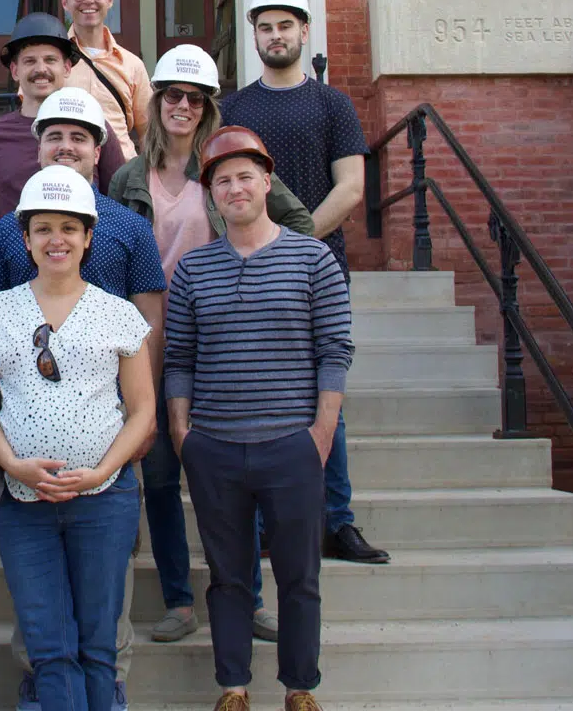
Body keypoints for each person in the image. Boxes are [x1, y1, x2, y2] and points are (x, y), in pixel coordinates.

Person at [105, 44, 316, 643]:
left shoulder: (229, 163)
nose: (183, 106)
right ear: (158, 100)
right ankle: (179, 599)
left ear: (208, 107)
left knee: (235, 476)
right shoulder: (127, 176)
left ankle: (246, 599)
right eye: (172, 95)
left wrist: (261, 271)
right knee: (163, 477)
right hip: (146, 343)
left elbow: (296, 224)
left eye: (195, 98)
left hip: (222, 341)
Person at [0, 87, 164, 710]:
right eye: (43, 230)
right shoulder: (2, 271)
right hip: (23, 492)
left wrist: (109, 466)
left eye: (69, 230)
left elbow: (141, 399)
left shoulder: (125, 258)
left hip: (105, 492)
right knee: (46, 641)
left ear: (89, 236)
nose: (56, 239)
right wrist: (12, 462)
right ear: (25, 236)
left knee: (100, 641)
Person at [164, 127, 355, 711]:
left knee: (300, 575)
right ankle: (234, 688)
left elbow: (335, 350)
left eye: (245, 176)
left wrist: (321, 432)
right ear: (210, 195)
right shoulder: (195, 271)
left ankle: (300, 688)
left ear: (267, 182)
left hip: (290, 444)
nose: (235, 188)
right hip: (215, 447)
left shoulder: (313, 257)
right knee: (227, 576)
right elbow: (179, 358)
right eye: (222, 180)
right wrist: (181, 431)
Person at [218, 0, 389, 567]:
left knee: (323, 394)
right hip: (244, 274)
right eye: (264, 26)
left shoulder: (332, 104)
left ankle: (335, 520)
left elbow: (352, 187)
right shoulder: (234, 108)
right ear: (255, 35)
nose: (275, 35)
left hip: (318, 268)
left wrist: (289, 246)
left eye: (285, 25)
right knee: (262, 394)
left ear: (304, 30)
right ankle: (270, 524)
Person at [0, 12, 124, 272]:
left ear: (67, 68)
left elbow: (116, 202)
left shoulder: (94, 128)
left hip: (87, 272)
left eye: (50, 60)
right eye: (30, 61)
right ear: (15, 70)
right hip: (13, 274)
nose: (41, 69)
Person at [55, 0, 152, 162]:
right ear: (65, 1)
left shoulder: (132, 65)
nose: (88, 0)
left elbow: (149, 133)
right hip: (66, 172)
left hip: (121, 176)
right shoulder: (51, 61)